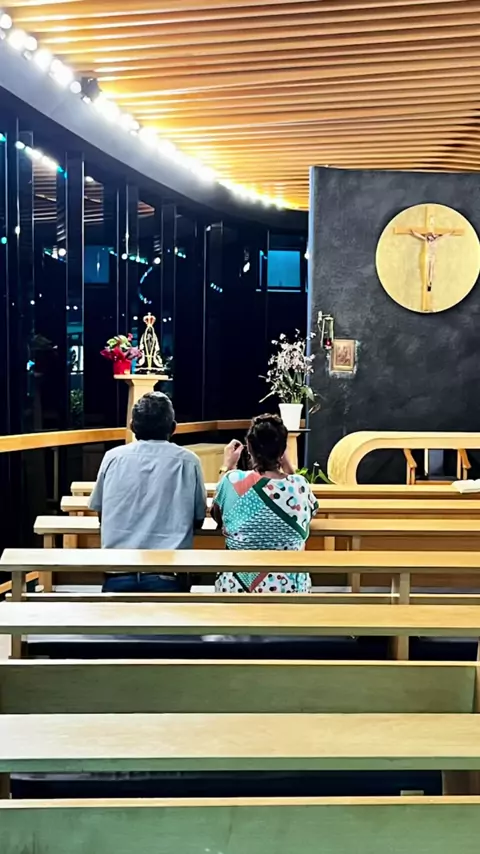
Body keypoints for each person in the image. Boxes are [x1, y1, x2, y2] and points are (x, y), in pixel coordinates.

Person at [90, 391, 207, 592]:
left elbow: (101, 514)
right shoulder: (189, 461)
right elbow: (198, 519)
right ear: (173, 427)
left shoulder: (112, 458)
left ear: (132, 426)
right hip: (169, 574)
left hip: (118, 572)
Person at [212, 414, 318, 593]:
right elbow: (309, 512)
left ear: (249, 447)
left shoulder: (232, 480)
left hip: (236, 588)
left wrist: (227, 466)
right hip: (290, 589)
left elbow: (217, 514)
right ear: (283, 450)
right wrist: (288, 466)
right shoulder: (299, 484)